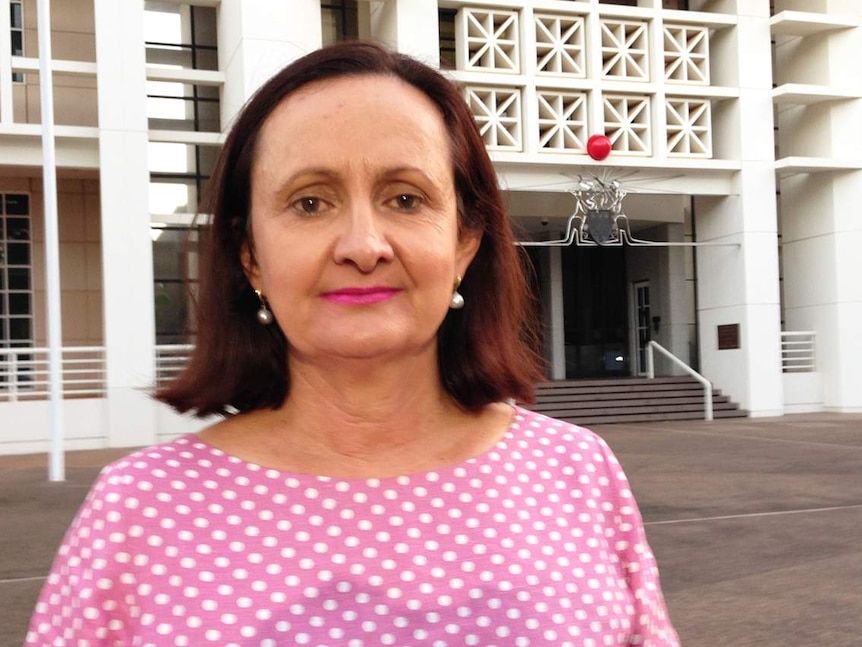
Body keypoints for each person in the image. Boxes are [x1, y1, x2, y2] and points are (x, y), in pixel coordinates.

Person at [26, 41, 679, 646]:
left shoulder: (575, 472)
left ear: (464, 242)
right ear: (251, 255)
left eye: (404, 197)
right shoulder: (139, 510)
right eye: (310, 203)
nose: (363, 245)